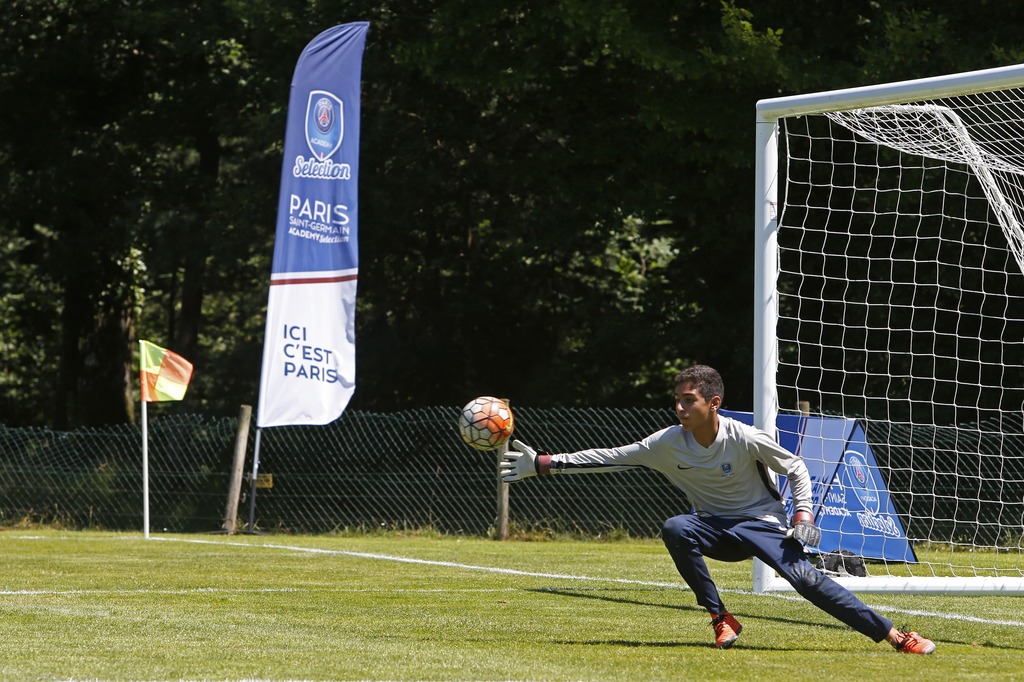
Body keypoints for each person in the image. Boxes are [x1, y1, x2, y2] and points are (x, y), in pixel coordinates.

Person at [500, 364, 936, 654]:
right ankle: (721, 618)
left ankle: (895, 636)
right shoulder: (666, 443)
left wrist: (803, 517)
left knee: (807, 581)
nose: (679, 407)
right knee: (675, 526)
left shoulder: (743, 436)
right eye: (677, 399)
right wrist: (543, 463)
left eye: (688, 399)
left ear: (713, 404)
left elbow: (797, 467)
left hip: (762, 524)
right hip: (713, 528)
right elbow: (611, 455)